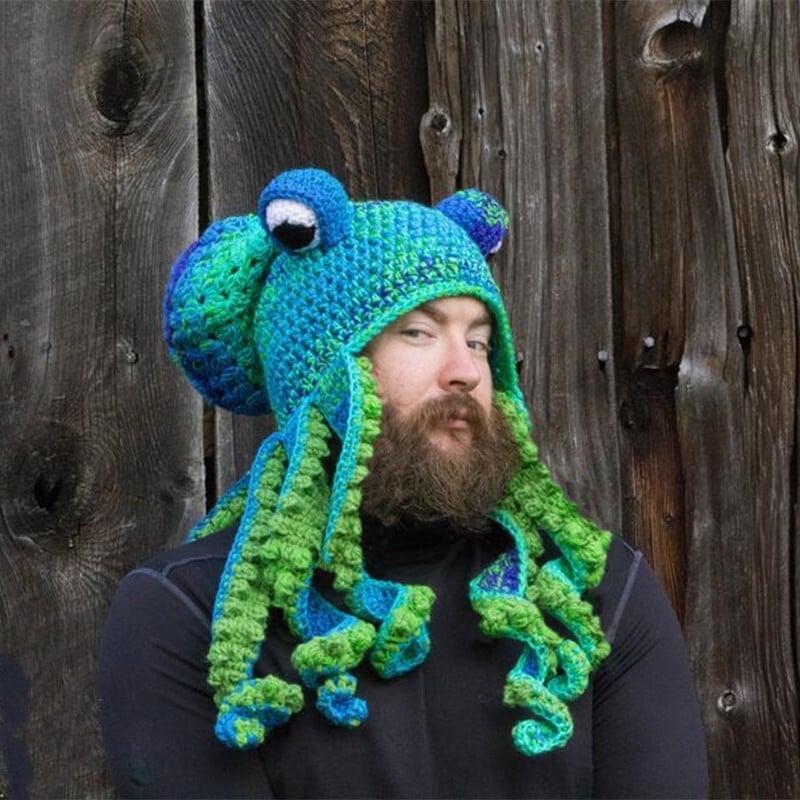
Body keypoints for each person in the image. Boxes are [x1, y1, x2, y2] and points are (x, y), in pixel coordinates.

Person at [96, 168, 708, 799]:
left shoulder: (594, 598)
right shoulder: (186, 614)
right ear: (319, 377)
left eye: (480, 340)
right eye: (418, 331)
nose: (466, 370)